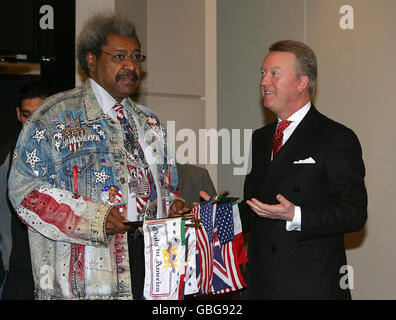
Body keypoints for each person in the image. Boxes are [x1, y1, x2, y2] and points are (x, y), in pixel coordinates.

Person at [7, 12, 189, 300]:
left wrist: (173, 206)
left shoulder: (150, 123)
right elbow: (23, 191)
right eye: (119, 57)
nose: (131, 66)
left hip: (151, 273)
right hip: (87, 282)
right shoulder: (54, 117)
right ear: (91, 61)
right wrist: (93, 219)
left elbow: (166, 188)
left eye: (136, 57)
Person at [238, 40, 368, 299]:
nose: (264, 81)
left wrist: (296, 215)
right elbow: (256, 207)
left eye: (274, 74)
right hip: (262, 285)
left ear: (302, 83)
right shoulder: (261, 138)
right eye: (263, 73)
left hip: (310, 287)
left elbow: (354, 213)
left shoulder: (335, 137)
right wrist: (213, 214)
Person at [0, 81, 48, 300]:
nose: (32, 123)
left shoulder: (63, 159)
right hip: (16, 272)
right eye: (27, 115)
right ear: (18, 114)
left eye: (38, 115)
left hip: (53, 270)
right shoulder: (4, 159)